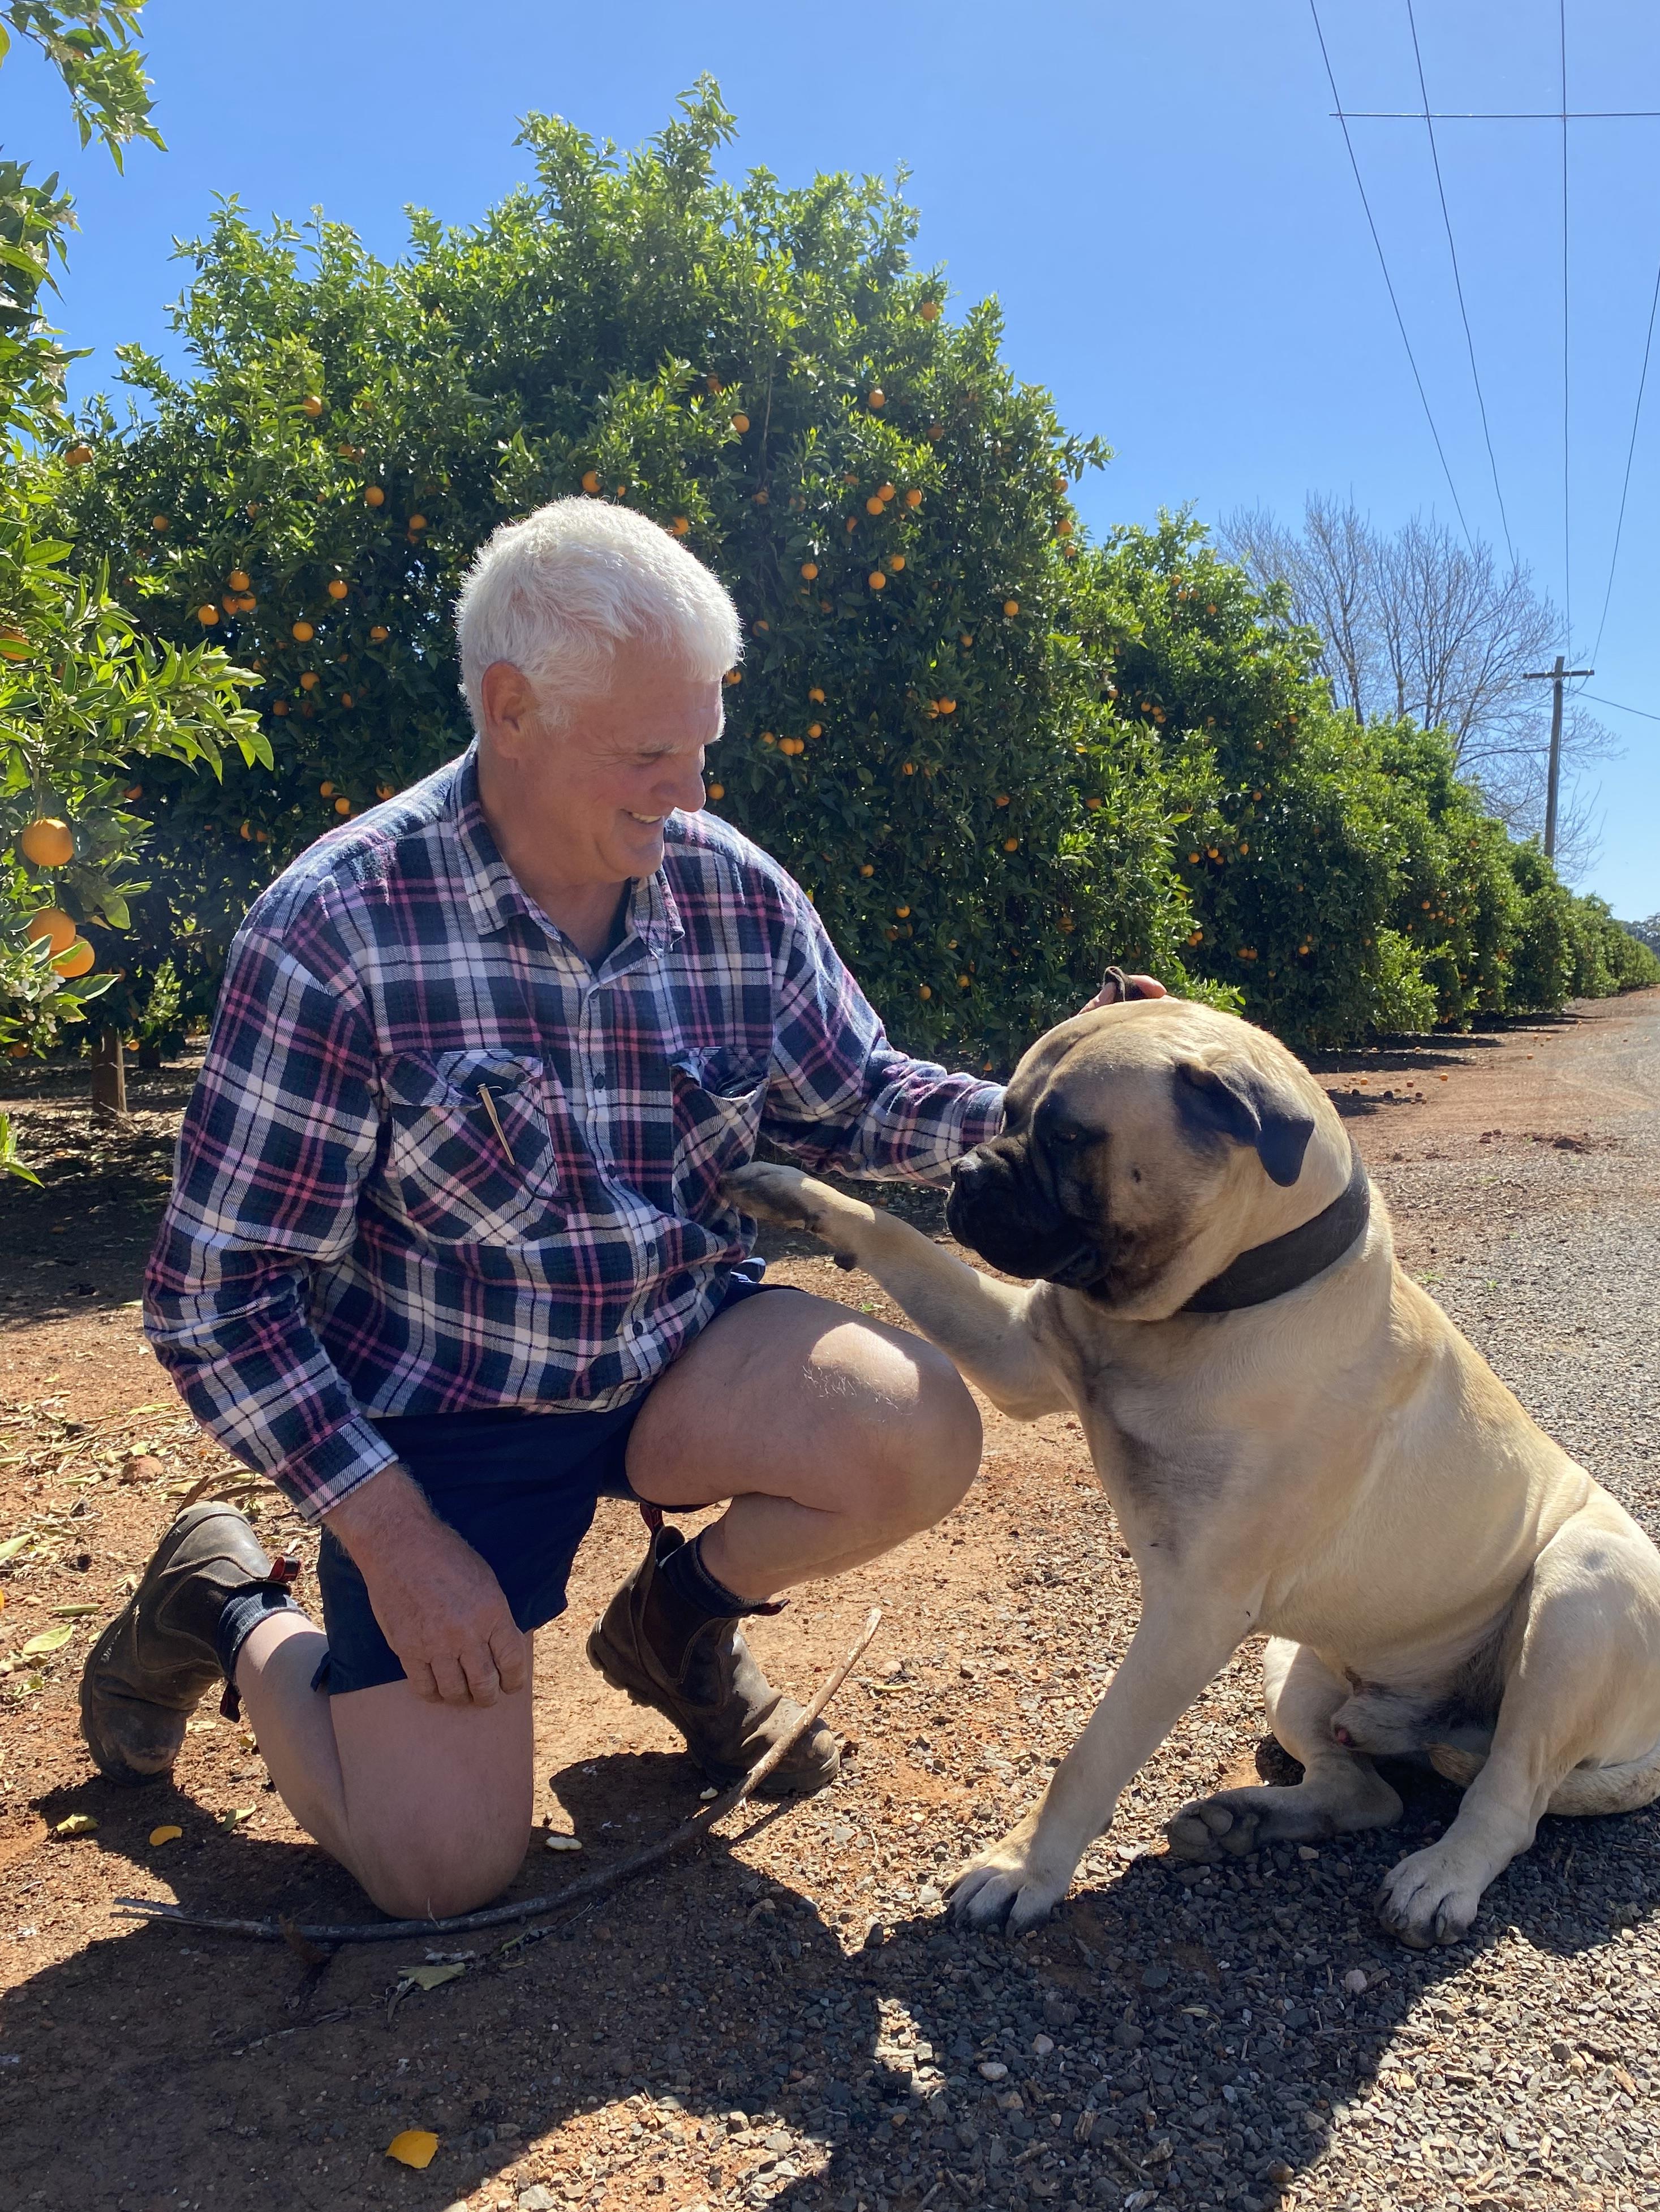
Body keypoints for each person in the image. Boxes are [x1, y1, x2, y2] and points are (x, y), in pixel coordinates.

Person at [80, 497, 1160, 1921]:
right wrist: (397, 1542)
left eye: (701, 747)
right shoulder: (339, 929)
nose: (689, 796)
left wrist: (1057, 1104)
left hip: (671, 1352)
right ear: (511, 708)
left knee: (919, 1426)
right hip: (448, 1421)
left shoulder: (731, 894)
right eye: (651, 755)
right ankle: (226, 1605)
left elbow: (857, 1094)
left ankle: (674, 1623)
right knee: (441, 1875)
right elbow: (217, 1300)